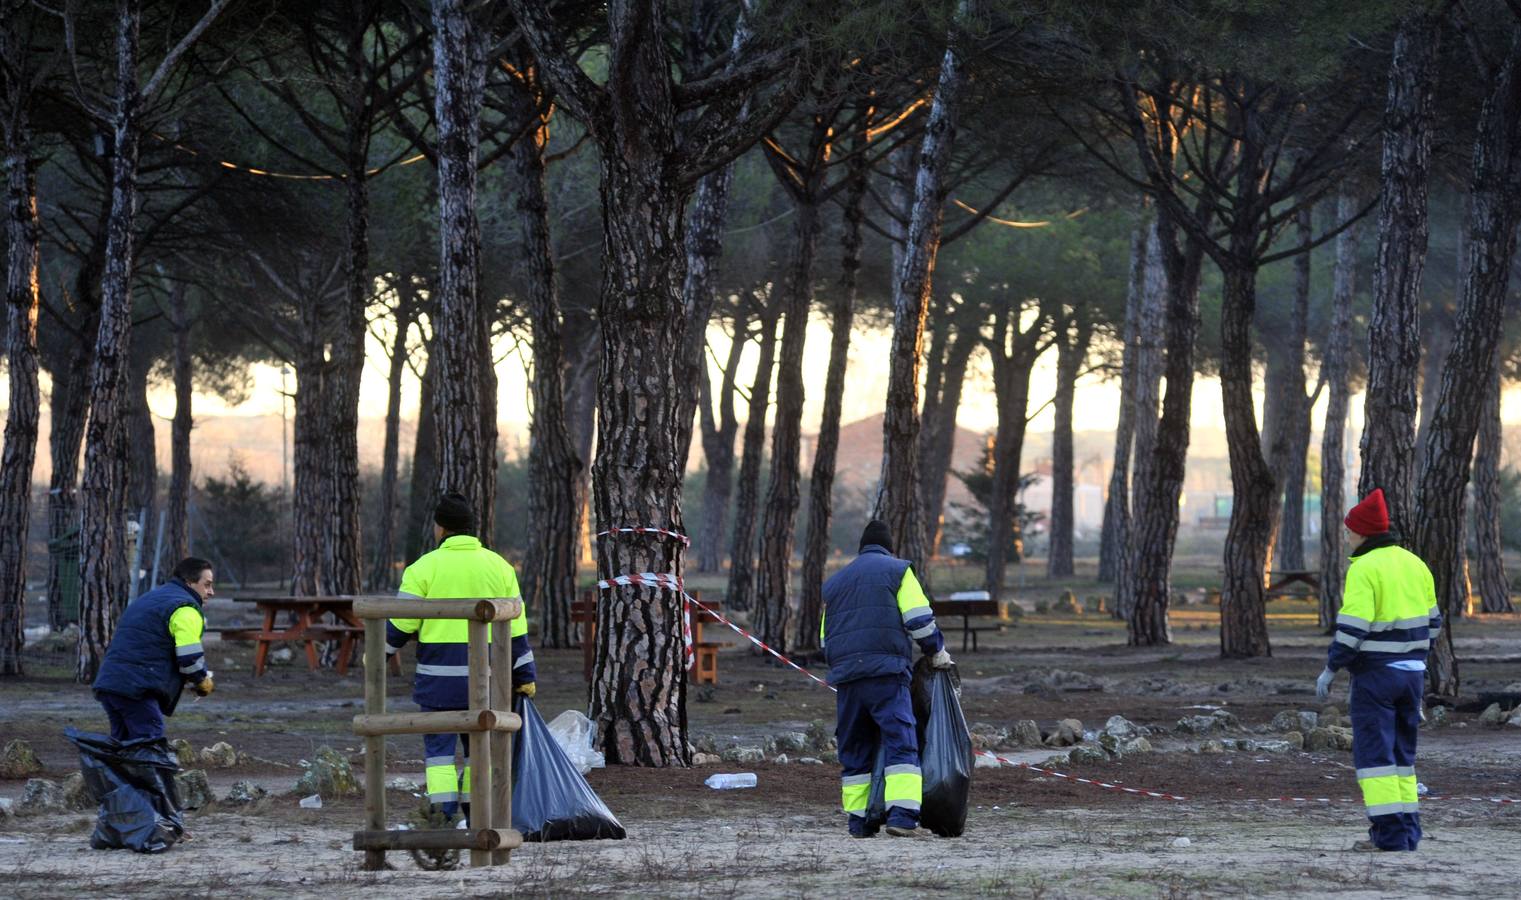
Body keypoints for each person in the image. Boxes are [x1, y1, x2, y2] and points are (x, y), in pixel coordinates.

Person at [386, 491, 535, 823]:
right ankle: (475, 815)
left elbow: (400, 624)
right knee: (477, 750)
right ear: (471, 527)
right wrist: (525, 677)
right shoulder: (500, 567)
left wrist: (377, 656)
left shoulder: (422, 567)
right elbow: (517, 629)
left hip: (438, 682)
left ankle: (442, 815)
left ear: (440, 528)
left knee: (438, 752)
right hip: (488, 683)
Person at [1315, 487, 1442, 852]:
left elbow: (1353, 628)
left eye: (1348, 532)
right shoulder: (1415, 564)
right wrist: (1415, 659)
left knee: (1375, 759)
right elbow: (1434, 624)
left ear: (1363, 533)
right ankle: (1407, 833)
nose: (1345, 537)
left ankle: (1387, 837)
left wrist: (1331, 667)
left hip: (1376, 677)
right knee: (1403, 758)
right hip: (1412, 675)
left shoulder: (1364, 569)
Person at [820, 519, 951, 838]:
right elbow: (919, 619)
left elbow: (826, 639)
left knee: (854, 749)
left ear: (861, 548)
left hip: (848, 680)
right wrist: (936, 651)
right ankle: (902, 817)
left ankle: (858, 821)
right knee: (900, 740)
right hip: (886, 675)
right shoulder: (897, 570)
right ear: (889, 547)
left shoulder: (836, 582)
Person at [92, 558, 216, 742]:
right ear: (189, 582)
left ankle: (116, 771)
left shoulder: (152, 598)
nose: (211, 592)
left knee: (122, 746)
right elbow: (189, 658)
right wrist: (202, 681)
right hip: (137, 688)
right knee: (148, 741)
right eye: (207, 585)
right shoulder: (186, 609)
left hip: (110, 682)